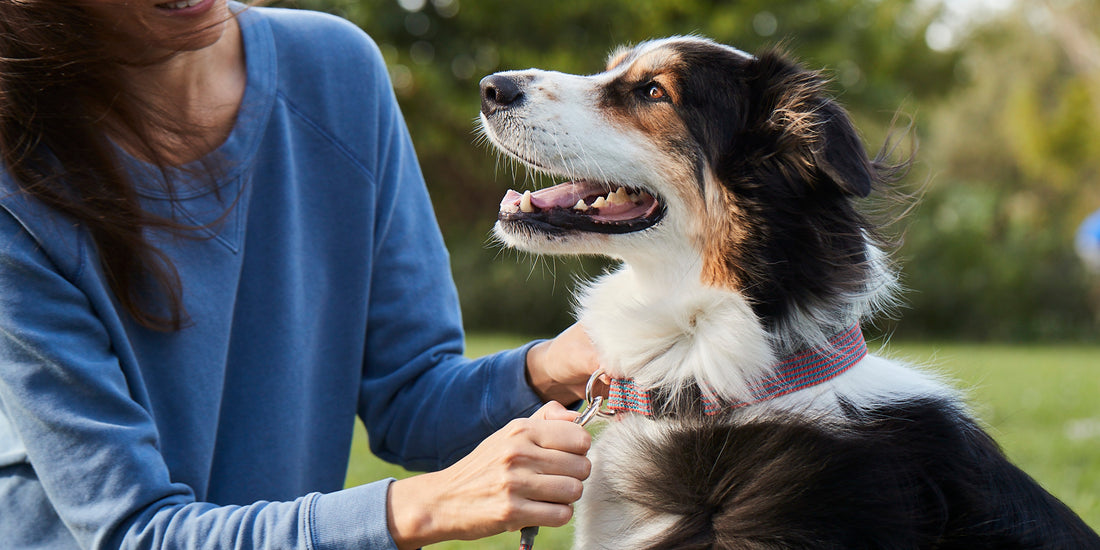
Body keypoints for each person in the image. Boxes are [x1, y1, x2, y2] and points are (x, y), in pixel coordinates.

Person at [0, 1, 599, 548]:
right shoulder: (15, 172)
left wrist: (561, 362)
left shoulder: (339, 73)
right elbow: (137, 532)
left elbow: (412, 399)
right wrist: (426, 506)